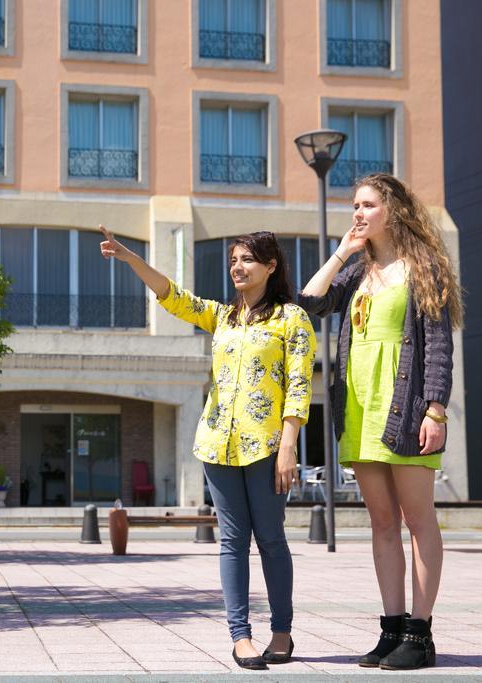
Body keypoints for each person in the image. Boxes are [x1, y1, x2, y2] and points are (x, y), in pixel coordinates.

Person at [99, 226, 316, 670]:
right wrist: (130, 258)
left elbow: (298, 385)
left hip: (267, 447)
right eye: (233, 260)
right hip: (217, 444)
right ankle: (241, 637)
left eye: (247, 259)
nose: (237, 266)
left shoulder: (292, 319)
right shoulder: (222, 316)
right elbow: (173, 295)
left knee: (272, 540)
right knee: (232, 542)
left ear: (270, 266)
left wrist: (289, 445)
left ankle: (281, 632)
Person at [299, 173, 462, 671]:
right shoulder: (357, 272)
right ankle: (392, 629)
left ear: (392, 209)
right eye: (354, 206)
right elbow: (309, 302)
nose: (358, 213)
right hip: (361, 409)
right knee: (383, 522)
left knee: (418, 520)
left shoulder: (424, 267)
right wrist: (342, 253)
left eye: (367, 205)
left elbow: (438, 345)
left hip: (408, 407)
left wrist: (436, 408)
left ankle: (421, 632)